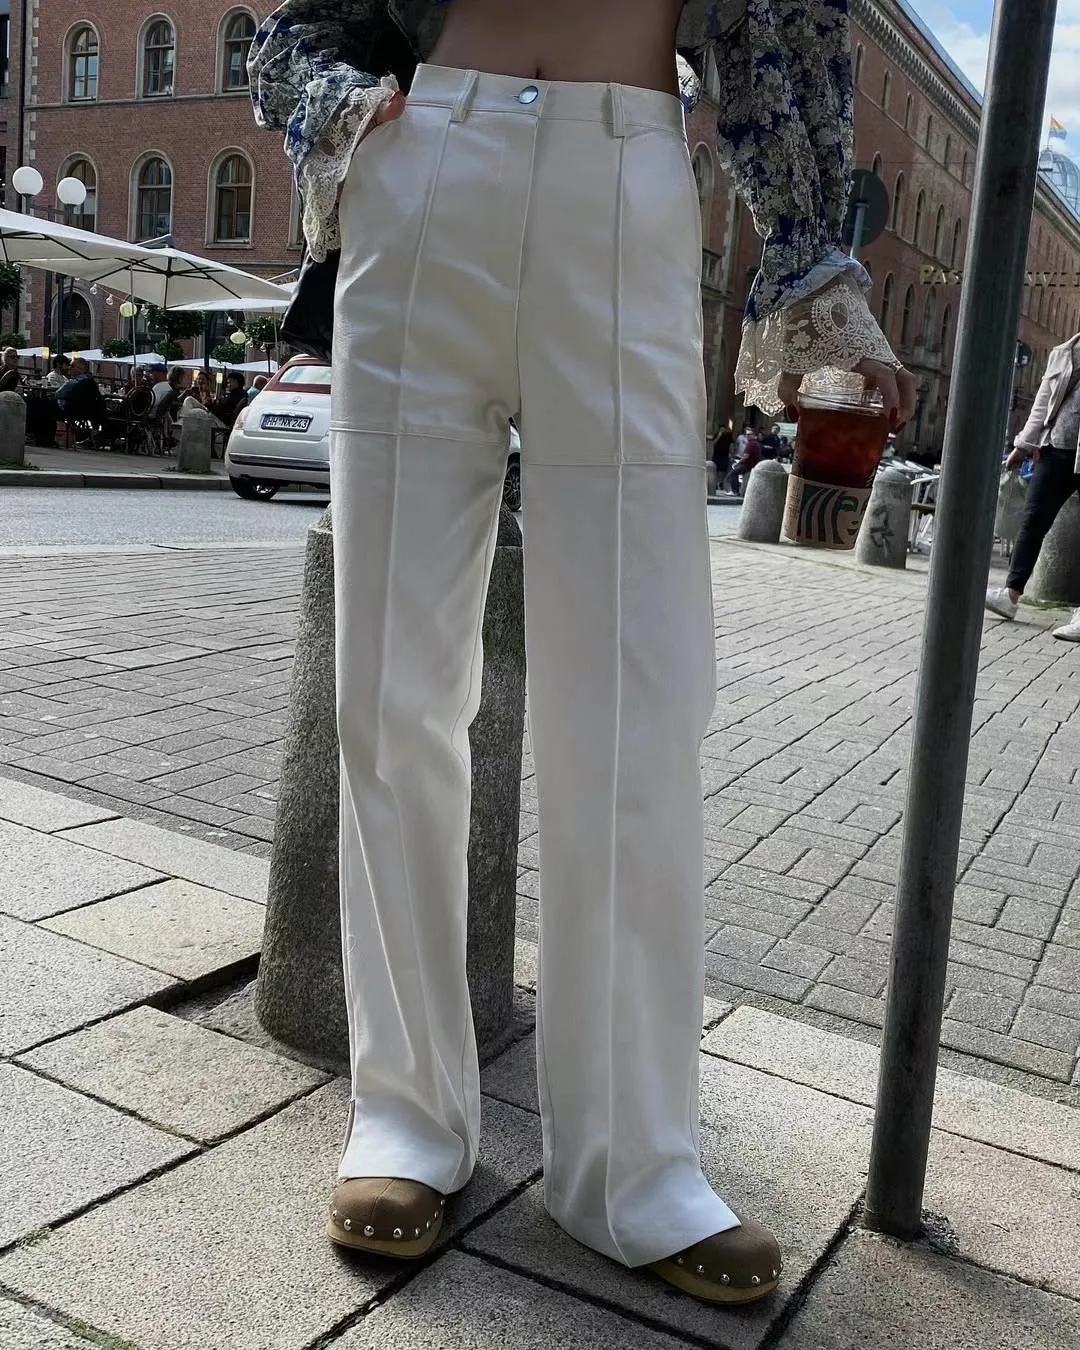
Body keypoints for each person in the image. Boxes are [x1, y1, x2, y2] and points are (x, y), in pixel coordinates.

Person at [251, 0, 915, 1308]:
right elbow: (308, 22)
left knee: (640, 704)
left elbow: (785, 33)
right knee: (389, 690)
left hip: (628, 173)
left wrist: (809, 255)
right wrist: (349, 114)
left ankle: (631, 1162)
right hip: (425, 157)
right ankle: (405, 1116)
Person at [986, 334, 1080, 641]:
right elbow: (1042, 401)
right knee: (1033, 520)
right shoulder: (1065, 351)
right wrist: (1024, 445)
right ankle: (1010, 594)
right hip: (1056, 446)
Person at [55, 357, 107, 440]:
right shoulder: (91, 383)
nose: (69, 367)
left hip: (70, 410)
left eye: (72, 366)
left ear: (81, 369)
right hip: (88, 411)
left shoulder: (74, 382)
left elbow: (58, 394)